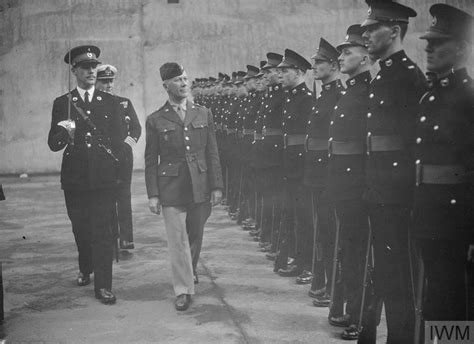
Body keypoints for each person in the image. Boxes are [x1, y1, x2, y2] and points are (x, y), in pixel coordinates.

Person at [360, 1, 427, 342]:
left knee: (400, 279)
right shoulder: (384, 74)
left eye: (373, 28)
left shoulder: (410, 78)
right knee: (385, 273)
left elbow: (415, 146)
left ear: (395, 31)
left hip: (399, 195)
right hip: (380, 190)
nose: (366, 34)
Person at [412, 2, 473, 335]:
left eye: (438, 44)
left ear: (461, 49)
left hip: (456, 217)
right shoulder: (430, 97)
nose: (429, 49)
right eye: (428, 43)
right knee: (434, 292)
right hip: (429, 210)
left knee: (453, 296)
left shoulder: (469, 98)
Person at [48, 45, 125, 304]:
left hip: (103, 178)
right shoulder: (63, 103)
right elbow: (53, 144)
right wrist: (64, 133)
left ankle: (104, 286)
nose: (91, 71)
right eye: (85, 68)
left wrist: (117, 174)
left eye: (94, 67)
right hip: (75, 178)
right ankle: (85, 267)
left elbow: (118, 140)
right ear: (75, 71)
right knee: (81, 229)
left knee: (103, 232)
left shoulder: (112, 103)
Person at [145, 62, 223, 311]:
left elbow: (212, 153)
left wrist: (217, 186)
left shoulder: (203, 113)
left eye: (186, 78)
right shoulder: (156, 119)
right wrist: (153, 194)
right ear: (166, 85)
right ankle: (183, 290)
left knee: (195, 235)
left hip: (199, 184)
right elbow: (150, 160)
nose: (183, 83)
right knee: (177, 240)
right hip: (171, 187)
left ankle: (188, 272)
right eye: (178, 79)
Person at [328, 24, 371, 340]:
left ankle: (361, 318)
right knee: (349, 253)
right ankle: (353, 311)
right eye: (340, 52)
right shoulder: (351, 91)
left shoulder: (368, 92)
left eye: (347, 51)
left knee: (361, 255)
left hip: (361, 188)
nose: (341, 56)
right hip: (345, 186)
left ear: (366, 57)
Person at [304, 38, 344, 309]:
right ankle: (324, 282)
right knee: (323, 230)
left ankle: (334, 287)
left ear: (333, 65)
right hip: (317, 174)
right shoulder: (323, 96)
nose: (314, 66)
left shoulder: (339, 96)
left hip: (330, 174)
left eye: (319, 62)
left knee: (332, 232)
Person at [275, 49, 313, 278]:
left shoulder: (307, 99)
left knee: (305, 217)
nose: (281, 75)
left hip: (302, 167)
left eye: (285, 71)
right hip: (290, 165)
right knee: (293, 215)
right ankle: (298, 261)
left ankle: (307, 265)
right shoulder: (291, 98)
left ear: (298, 72)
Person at [95, 64, 142, 252]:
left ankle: (126, 238)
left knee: (124, 198)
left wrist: (126, 146)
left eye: (110, 81)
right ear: (96, 82)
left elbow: (136, 129)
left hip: (123, 158)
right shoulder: (93, 106)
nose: (108, 86)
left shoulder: (124, 103)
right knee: (105, 200)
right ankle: (110, 237)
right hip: (102, 159)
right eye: (104, 82)